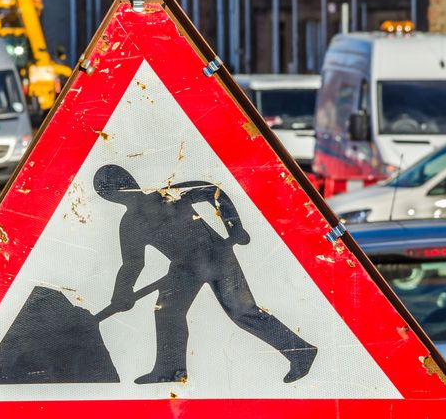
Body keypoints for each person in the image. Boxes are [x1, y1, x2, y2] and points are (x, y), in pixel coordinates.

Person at [94, 165, 317, 385]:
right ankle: (171, 370)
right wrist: (121, 293)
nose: (120, 193)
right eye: (112, 191)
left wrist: (234, 227)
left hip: (215, 255)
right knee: (167, 311)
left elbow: (211, 190)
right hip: (184, 267)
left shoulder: (167, 195)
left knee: (242, 312)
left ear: (130, 182)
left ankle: (301, 352)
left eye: (119, 187)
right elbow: (133, 263)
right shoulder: (130, 224)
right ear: (111, 198)